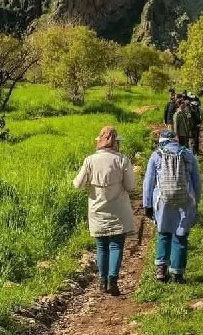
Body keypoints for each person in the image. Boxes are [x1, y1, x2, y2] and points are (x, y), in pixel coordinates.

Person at [73, 126, 136, 296]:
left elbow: (78, 184)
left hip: (97, 209)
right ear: (116, 142)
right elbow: (131, 186)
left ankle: (102, 281)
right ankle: (112, 281)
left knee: (101, 246)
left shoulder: (90, 160)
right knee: (116, 244)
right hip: (118, 210)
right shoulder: (122, 160)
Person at [143, 129, 202, 283]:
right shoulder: (188, 154)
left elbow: (148, 182)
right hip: (185, 199)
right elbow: (197, 182)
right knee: (180, 235)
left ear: (161, 141)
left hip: (163, 200)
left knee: (164, 233)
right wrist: (196, 203)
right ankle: (177, 273)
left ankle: (161, 269)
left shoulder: (157, 155)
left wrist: (147, 204)